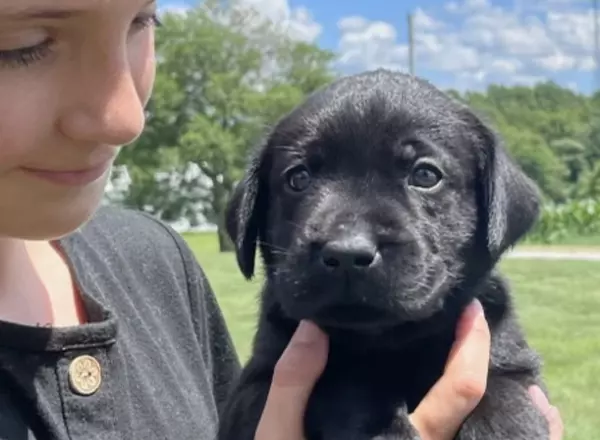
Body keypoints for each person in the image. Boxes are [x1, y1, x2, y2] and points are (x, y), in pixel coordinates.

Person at [0, 0, 563, 439]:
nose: (348, 236)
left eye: (423, 176)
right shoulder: (272, 336)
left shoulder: (156, 266)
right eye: (22, 44)